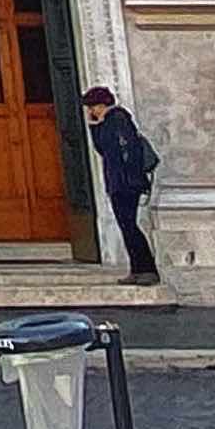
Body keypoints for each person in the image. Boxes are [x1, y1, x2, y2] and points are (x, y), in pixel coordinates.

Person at [81, 86, 160, 286]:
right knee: (127, 226)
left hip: (125, 183)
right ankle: (138, 268)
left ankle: (147, 269)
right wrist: (94, 126)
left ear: (100, 104)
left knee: (129, 226)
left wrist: (130, 180)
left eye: (92, 107)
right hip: (120, 182)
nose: (90, 111)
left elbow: (125, 152)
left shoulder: (118, 119)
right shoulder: (108, 122)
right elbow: (103, 150)